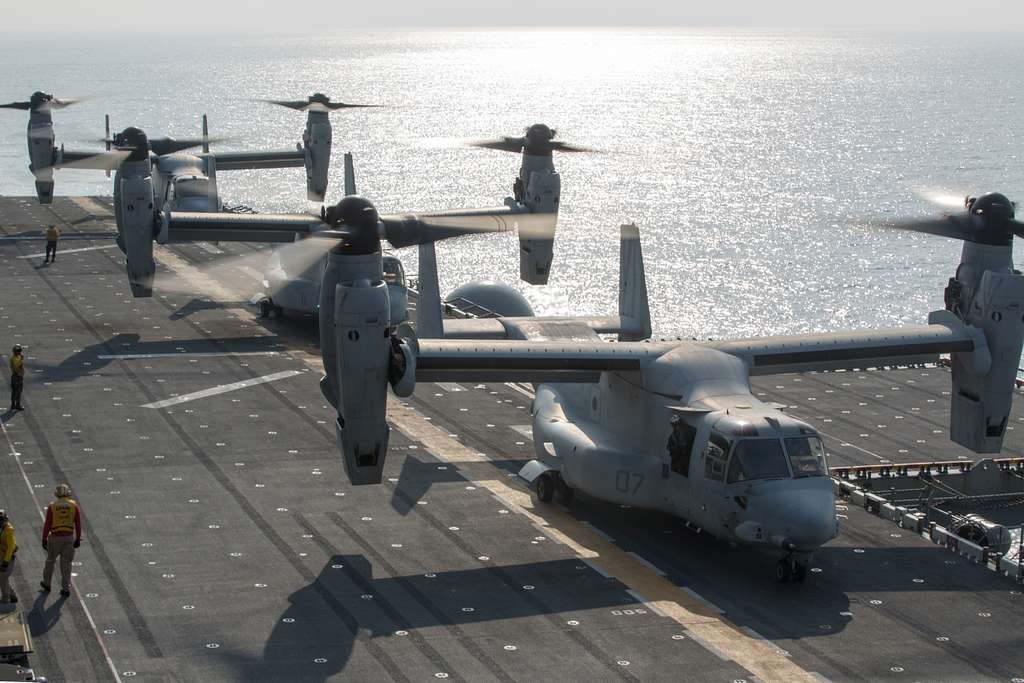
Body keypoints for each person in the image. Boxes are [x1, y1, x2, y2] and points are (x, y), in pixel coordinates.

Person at [40, 484, 81, 597]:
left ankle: (47, 584)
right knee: (66, 564)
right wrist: (78, 538)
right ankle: (65, 588)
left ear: (57, 494)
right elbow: (77, 523)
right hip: (68, 537)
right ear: (68, 493)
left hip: (55, 537)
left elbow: (47, 524)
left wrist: (44, 538)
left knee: (50, 561)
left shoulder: (52, 506)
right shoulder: (73, 505)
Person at [0, 509, 17, 604]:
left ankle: (6, 598)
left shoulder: (9, 530)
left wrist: (6, 562)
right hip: (1, 555)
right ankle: (12, 595)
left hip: (8, 557)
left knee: (3, 577)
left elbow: (11, 547)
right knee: (3, 577)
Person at [9, 344, 24, 411]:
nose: (20, 352)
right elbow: (17, 366)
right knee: (16, 392)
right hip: (16, 376)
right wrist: (21, 359)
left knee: (16, 392)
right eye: (18, 351)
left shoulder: (17, 357)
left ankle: (14, 405)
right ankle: (15, 405)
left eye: (20, 350)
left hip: (19, 376)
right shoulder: (14, 358)